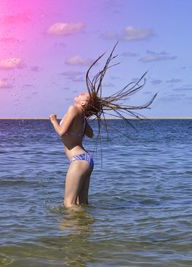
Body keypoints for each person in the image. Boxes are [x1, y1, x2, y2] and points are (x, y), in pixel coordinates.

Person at [50, 43, 157, 209]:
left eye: (84, 94)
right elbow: (90, 134)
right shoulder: (82, 117)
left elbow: (62, 133)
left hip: (78, 161)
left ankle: (71, 233)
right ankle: (84, 233)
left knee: (69, 204)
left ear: (84, 103)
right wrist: (83, 122)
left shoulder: (73, 109)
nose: (80, 93)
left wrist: (53, 120)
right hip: (87, 160)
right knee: (82, 204)